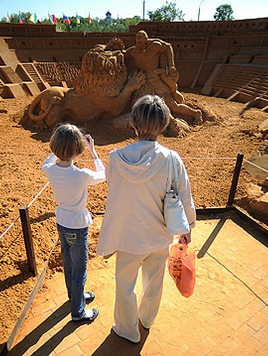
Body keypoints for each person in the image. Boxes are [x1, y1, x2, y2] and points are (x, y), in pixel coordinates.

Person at [96, 95, 196, 343]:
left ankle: (127, 329)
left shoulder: (116, 158)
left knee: (124, 284)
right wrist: (188, 227)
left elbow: (114, 187)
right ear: (164, 124)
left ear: (133, 122)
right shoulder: (172, 159)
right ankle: (147, 319)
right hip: (160, 235)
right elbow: (185, 194)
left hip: (128, 237)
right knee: (154, 281)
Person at [41, 123, 106, 322]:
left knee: (68, 263)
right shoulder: (81, 175)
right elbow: (104, 174)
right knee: (80, 269)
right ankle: (78, 312)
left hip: (62, 221)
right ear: (78, 150)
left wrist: (57, 150)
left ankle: (74, 296)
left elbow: (49, 160)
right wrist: (93, 151)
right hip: (78, 226)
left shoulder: (49, 169)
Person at [125, 30, 203, 132]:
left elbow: (168, 46)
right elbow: (122, 55)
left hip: (156, 82)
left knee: (174, 107)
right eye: (136, 40)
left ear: (146, 41)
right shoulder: (133, 51)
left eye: (140, 41)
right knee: (135, 104)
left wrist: (171, 65)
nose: (137, 43)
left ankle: (196, 113)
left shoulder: (154, 47)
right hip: (143, 83)